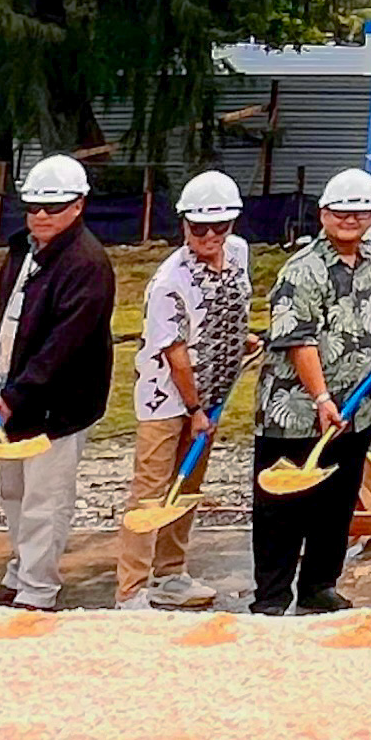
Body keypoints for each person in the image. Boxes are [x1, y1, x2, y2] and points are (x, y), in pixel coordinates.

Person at [254, 170, 371, 615]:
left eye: (360, 212)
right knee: (282, 505)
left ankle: (319, 586)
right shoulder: (301, 271)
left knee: (337, 501)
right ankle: (271, 597)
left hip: (356, 405)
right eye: (341, 212)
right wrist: (322, 398)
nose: (350, 219)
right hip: (298, 409)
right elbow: (298, 340)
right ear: (324, 213)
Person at [0, 153, 112, 612]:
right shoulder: (23, 250)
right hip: (14, 393)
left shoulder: (87, 264)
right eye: (33, 207)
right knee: (14, 492)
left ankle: (38, 590)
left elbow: (66, 342)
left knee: (45, 498)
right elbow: (7, 307)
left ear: (78, 205)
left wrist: (18, 395)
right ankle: (20, 573)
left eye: (54, 207)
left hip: (58, 405)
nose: (41, 215)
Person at [121, 171, 255, 611]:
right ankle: (131, 590)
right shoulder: (168, 282)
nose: (211, 236)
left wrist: (241, 339)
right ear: (184, 224)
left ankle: (170, 573)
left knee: (188, 483)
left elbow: (230, 308)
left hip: (214, 389)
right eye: (200, 228)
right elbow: (175, 354)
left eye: (221, 226)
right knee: (152, 489)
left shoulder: (238, 253)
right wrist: (195, 409)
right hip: (166, 396)